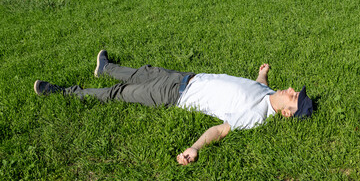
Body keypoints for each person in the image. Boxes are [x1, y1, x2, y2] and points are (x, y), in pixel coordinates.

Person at [34, 50, 313, 165]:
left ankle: (62, 92)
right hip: (185, 77)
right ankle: (106, 68)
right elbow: (256, 85)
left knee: (119, 94)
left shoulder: (255, 116)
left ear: (287, 114)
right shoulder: (265, 93)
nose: (291, 91)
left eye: (292, 97)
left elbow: (221, 129)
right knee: (143, 71)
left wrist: (195, 147)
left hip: (173, 94)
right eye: (294, 90)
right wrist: (262, 72)